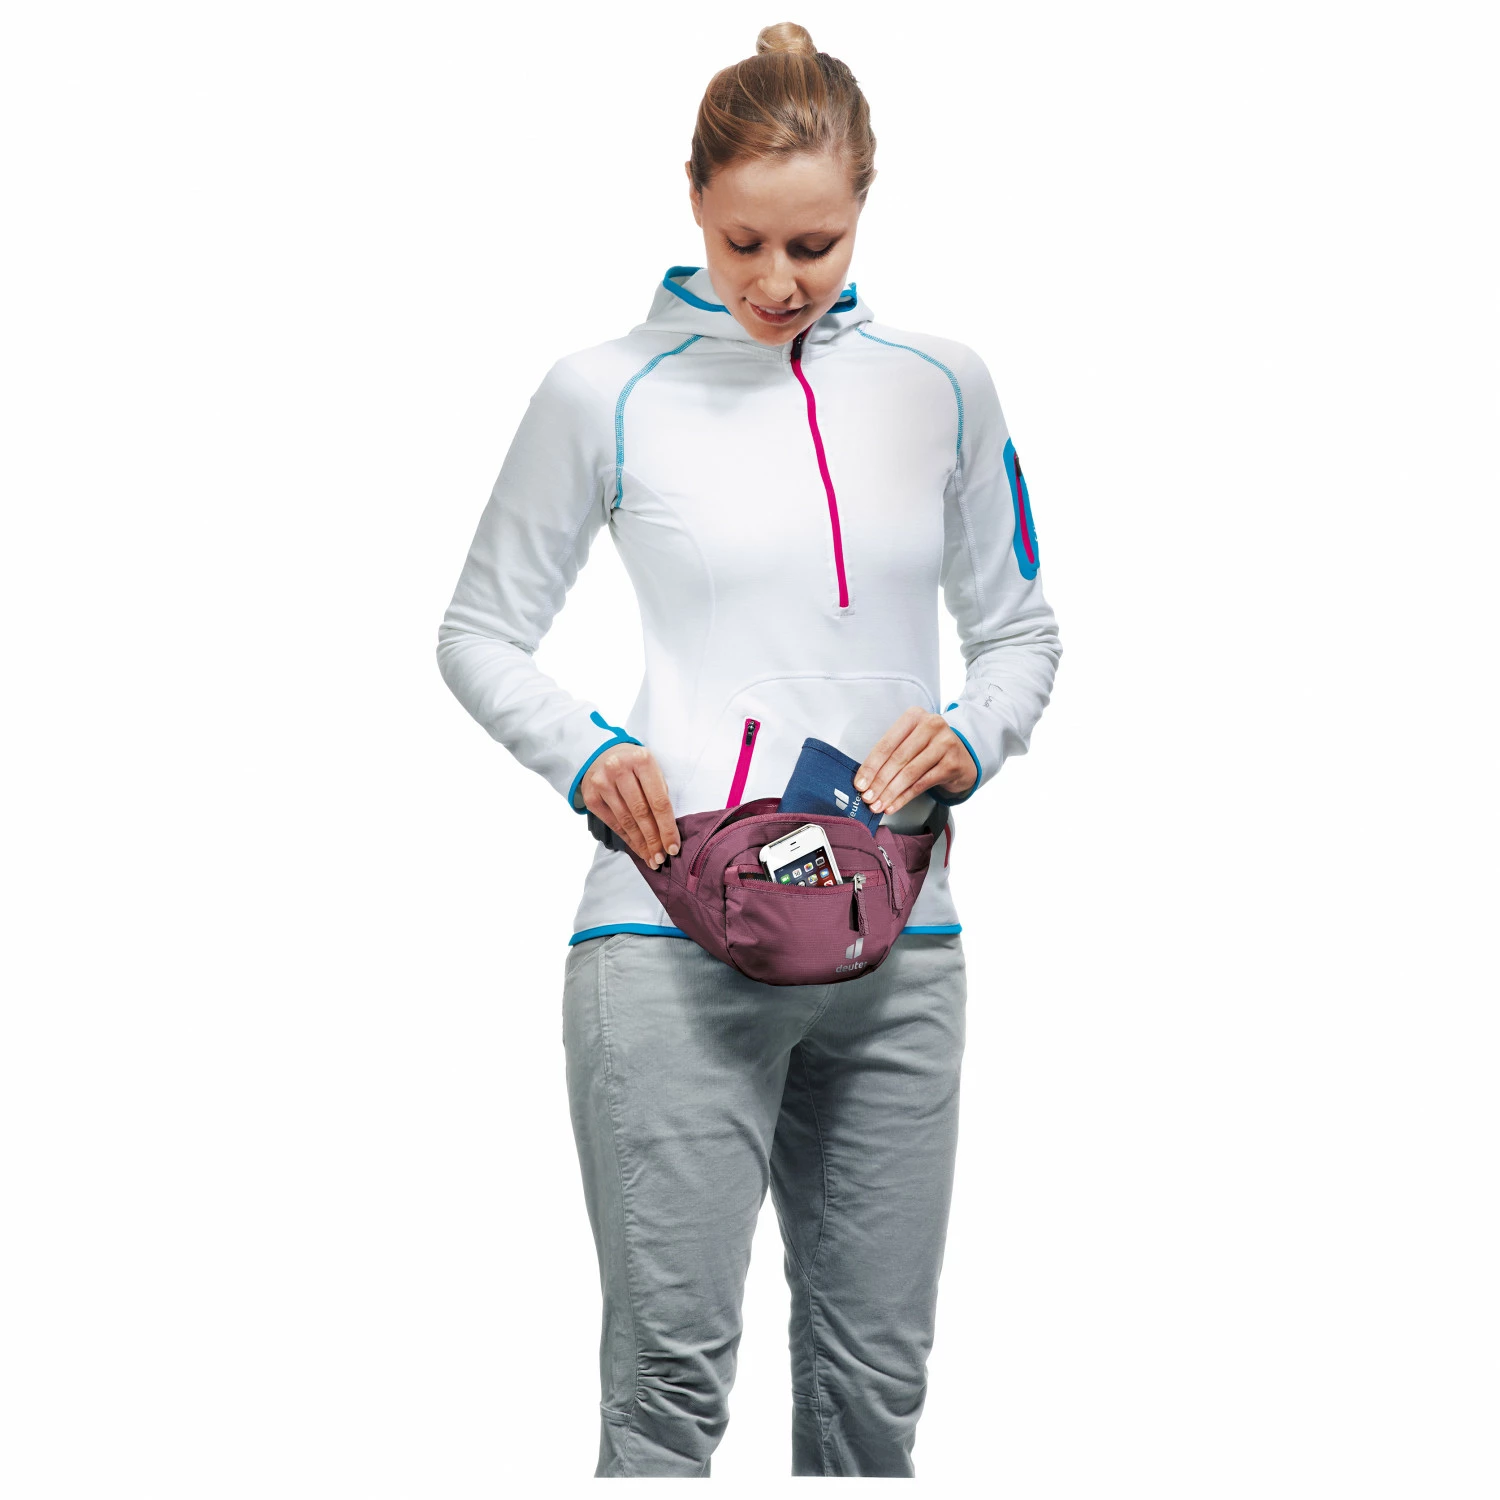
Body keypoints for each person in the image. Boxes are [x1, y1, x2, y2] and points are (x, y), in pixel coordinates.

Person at [436, 22, 1063, 1478]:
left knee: (874, 1396)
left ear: (865, 209)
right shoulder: (603, 390)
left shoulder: (942, 383)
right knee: (669, 1389)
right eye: (745, 243)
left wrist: (970, 737)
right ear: (694, 203)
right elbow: (477, 630)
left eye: (816, 245)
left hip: (902, 940)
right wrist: (584, 753)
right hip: (669, 938)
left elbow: (1022, 631)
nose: (779, 281)